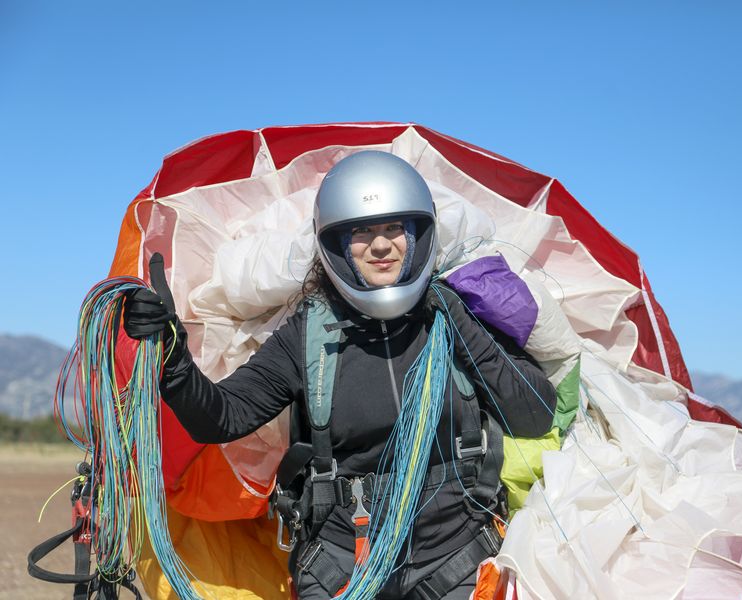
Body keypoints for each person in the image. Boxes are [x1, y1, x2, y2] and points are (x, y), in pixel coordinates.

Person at [124, 151, 556, 599]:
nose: (381, 245)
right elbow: (221, 417)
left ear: (419, 235)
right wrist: (171, 353)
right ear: (335, 245)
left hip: (456, 558)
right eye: (361, 232)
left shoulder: (454, 318)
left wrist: (457, 320)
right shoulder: (311, 334)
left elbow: (536, 415)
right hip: (344, 565)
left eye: (395, 228)